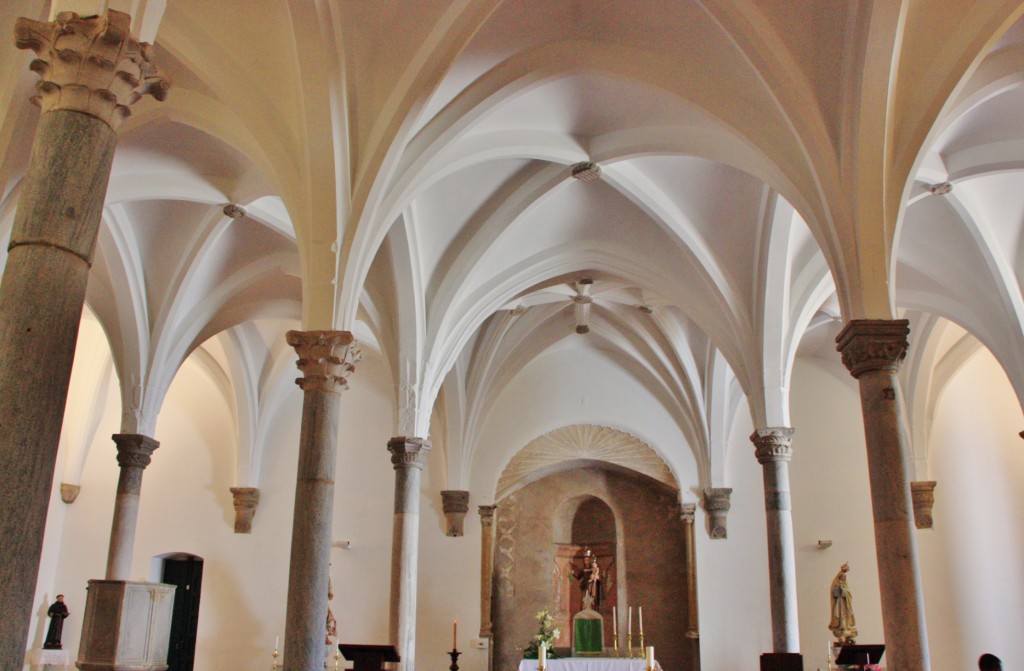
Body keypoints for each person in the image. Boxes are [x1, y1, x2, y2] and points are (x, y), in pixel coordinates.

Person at [828, 563, 857, 644]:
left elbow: (848, 595)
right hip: (839, 604)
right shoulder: (836, 584)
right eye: (842, 577)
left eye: (844, 577)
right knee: (839, 616)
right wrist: (839, 589)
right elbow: (834, 593)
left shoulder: (845, 585)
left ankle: (846, 626)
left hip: (845, 604)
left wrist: (844, 591)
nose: (843, 578)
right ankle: (840, 626)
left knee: (845, 617)